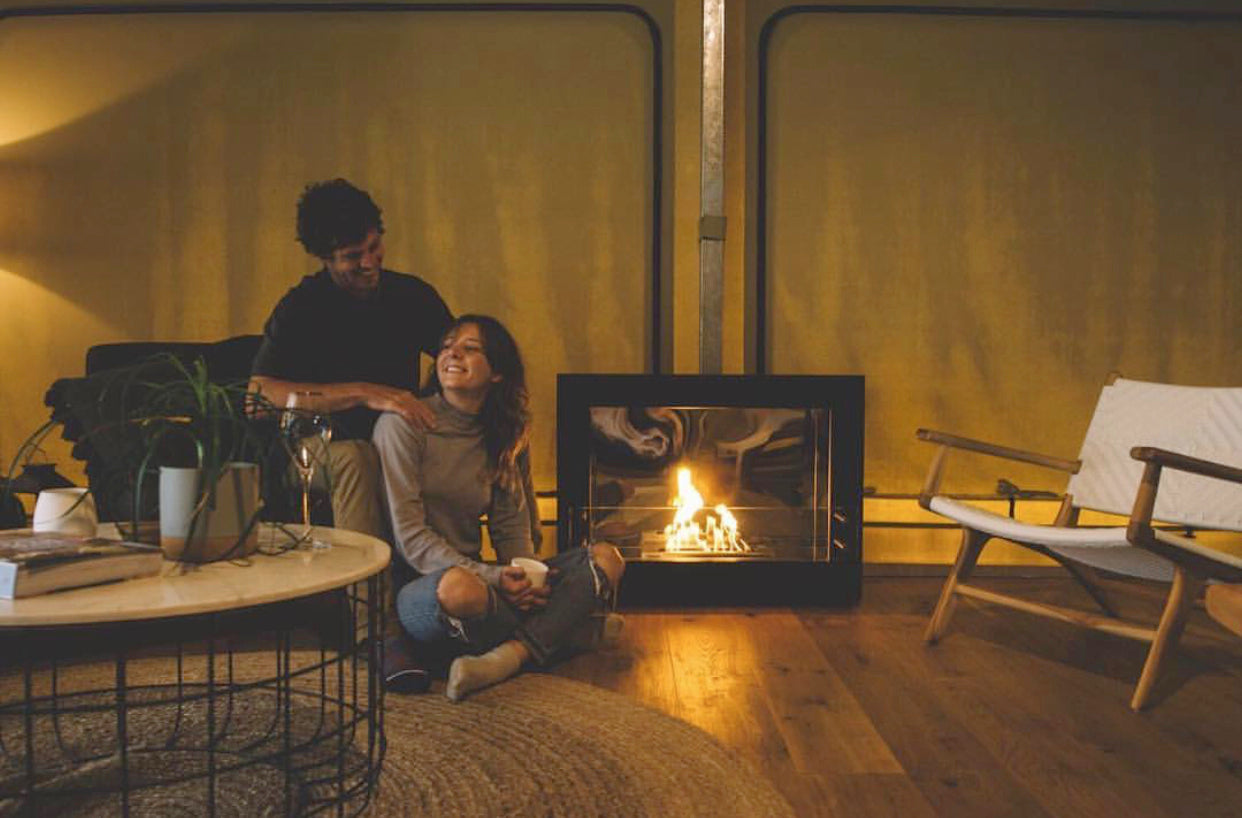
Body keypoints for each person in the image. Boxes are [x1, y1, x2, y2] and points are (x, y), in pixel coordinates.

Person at [373, 315, 625, 701]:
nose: (452, 353)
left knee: (607, 559)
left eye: (470, 348)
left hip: (485, 583)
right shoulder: (403, 425)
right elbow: (410, 538)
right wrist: (494, 578)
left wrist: (527, 582)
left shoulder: (506, 431)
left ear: (497, 373)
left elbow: (510, 526)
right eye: (446, 346)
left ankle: (505, 658)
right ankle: (567, 631)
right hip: (422, 586)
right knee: (462, 592)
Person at [249, 179, 453, 538]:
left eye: (374, 247)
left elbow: (455, 357)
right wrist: (363, 392)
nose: (369, 263)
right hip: (317, 447)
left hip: (395, 439)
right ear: (325, 258)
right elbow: (257, 397)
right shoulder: (301, 307)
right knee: (358, 459)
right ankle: (367, 593)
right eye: (352, 257)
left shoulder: (412, 295)